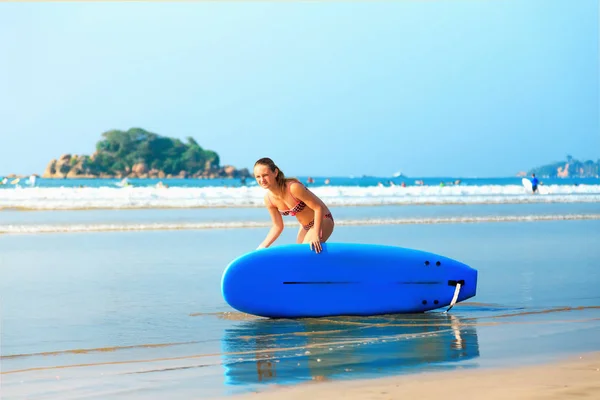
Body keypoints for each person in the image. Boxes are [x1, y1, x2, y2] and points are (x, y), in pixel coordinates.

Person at [254, 158, 334, 253]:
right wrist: (261, 247)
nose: (262, 180)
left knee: (306, 253)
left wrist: (316, 234)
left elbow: (318, 208)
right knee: (298, 255)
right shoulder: (269, 199)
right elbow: (277, 226)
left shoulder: (293, 188)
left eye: (265, 175)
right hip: (305, 227)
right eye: (258, 177)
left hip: (322, 220)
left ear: (275, 172)